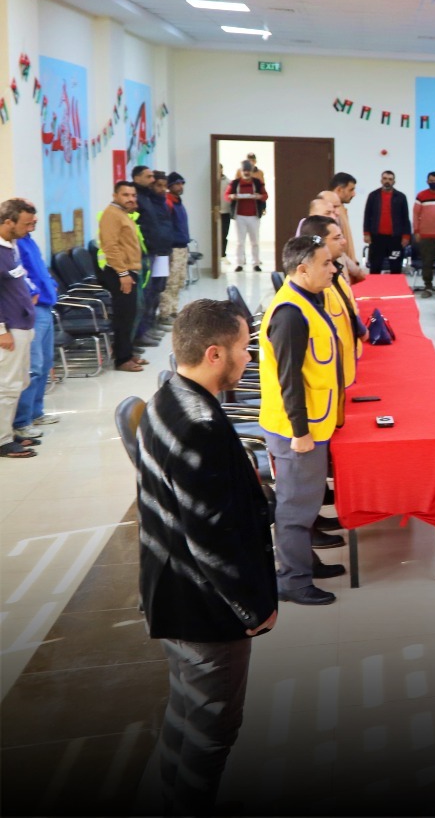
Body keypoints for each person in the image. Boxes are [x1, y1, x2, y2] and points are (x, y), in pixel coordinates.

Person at [136, 299, 277, 815]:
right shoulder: (200, 424)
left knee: (186, 709)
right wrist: (252, 608)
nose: (249, 357)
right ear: (215, 354)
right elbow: (210, 539)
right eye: (244, 348)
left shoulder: (168, 395)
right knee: (214, 729)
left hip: (168, 590)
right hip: (201, 606)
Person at [260, 235, 344, 607]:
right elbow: (289, 379)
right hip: (296, 429)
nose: (333, 268)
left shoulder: (308, 299)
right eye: (326, 263)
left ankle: (305, 564)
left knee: (306, 502)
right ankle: (293, 579)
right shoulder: (290, 313)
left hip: (313, 421)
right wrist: (300, 432)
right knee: (295, 508)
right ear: (302, 268)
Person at [298, 215, 364, 400]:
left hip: (339, 379)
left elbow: (346, 309)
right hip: (321, 393)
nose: (343, 242)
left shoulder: (333, 273)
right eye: (336, 238)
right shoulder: (309, 291)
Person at [14, 201, 59, 439]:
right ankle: (22, 421)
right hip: (33, 309)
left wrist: (51, 284)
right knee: (33, 366)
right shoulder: (12, 244)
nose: (33, 224)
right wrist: (34, 293)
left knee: (46, 361)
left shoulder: (28, 240)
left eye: (34, 220)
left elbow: (39, 269)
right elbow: (20, 275)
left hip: (46, 305)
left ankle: (36, 411)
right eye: (28, 221)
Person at [0, 200, 40, 458]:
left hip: (22, 324)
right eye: (26, 224)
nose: (30, 229)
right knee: (7, 386)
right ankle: (2, 441)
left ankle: (8, 431)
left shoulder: (11, 246)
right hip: (10, 330)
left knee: (19, 382)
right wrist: (1, 330)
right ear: (8, 222)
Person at [98, 181, 146, 373]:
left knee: (131, 313)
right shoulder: (111, 215)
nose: (131, 199)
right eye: (126, 195)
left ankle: (127, 352)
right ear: (115, 195)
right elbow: (110, 247)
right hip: (120, 272)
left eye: (133, 195)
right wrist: (123, 273)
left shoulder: (123, 213)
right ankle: (122, 359)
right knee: (124, 316)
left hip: (128, 271)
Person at [133, 167, 175, 339]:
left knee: (157, 290)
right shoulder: (142, 199)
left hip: (162, 251)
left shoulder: (157, 200)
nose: (162, 189)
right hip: (150, 253)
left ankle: (151, 325)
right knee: (148, 293)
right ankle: (143, 331)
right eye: (149, 177)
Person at [361, 170, 411, 275]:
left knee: (395, 266)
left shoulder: (401, 197)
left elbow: (405, 218)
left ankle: (395, 286)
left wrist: (406, 236)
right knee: (375, 266)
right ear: (381, 180)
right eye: (385, 179)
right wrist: (366, 233)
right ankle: (375, 286)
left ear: (394, 182)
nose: (387, 181)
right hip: (376, 238)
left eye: (390, 179)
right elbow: (367, 215)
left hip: (395, 239)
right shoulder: (373, 196)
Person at [159, 173, 192, 322]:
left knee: (179, 281)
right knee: (170, 282)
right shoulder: (168, 202)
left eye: (182, 183)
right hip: (173, 249)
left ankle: (173, 311)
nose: (180, 186)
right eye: (177, 184)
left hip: (182, 247)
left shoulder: (178, 202)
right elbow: (165, 228)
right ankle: (165, 314)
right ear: (170, 186)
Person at [224, 162, 265, 270]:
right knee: (239, 242)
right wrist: (232, 196)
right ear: (241, 171)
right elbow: (226, 196)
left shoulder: (257, 183)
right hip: (239, 217)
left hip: (254, 216)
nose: (246, 173)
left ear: (251, 171)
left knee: (255, 241)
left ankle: (256, 263)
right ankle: (239, 264)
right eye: (244, 171)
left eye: (248, 171)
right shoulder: (235, 183)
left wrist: (259, 196)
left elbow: (265, 195)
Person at [328, 173, 366, 284]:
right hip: (338, 273)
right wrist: (354, 269)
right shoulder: (332, 213)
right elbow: (336, 248)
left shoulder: (341, 209)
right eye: (351, 190)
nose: (354, 194)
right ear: (339, 190)